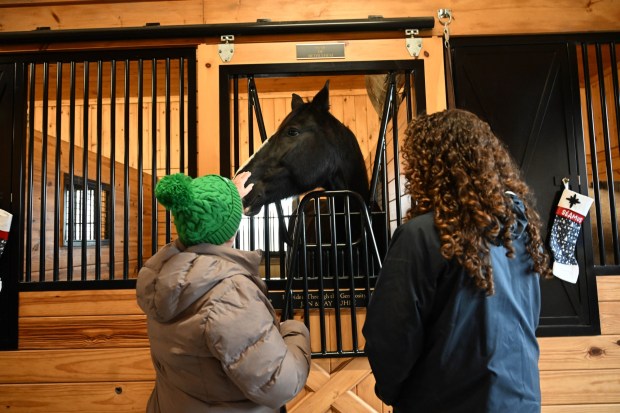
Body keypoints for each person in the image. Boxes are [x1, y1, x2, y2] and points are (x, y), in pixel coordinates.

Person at [362, 109, 552, 413]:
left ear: (430, 167)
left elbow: (390, 336)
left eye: (413, 163)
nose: (408, 173)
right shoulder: (519, 228)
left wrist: (395, 392)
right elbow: (528, 318)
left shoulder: (422, 234)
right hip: (520, 400)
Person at [136, 171, 311, 413]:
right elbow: (279, 384)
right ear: (232, 230)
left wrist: (230, 200)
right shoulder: (228, 294)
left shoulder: (164, 277)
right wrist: (294, 331)